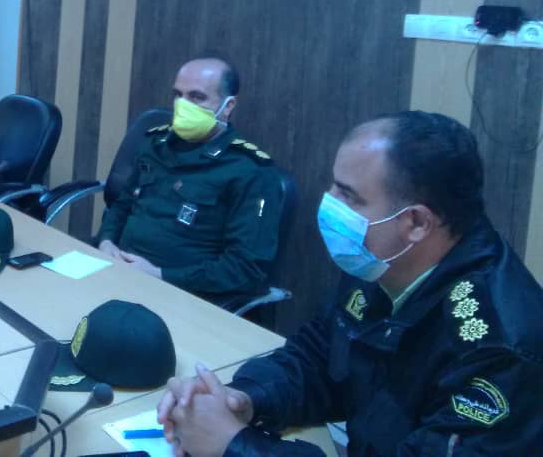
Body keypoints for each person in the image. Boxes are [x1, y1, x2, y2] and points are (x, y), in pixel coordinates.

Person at [157, 111, 543, 456]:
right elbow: (317, 357)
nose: (328, 203)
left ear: (416, 223)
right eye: (334, 186)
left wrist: (235, 445)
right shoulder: (381, 260)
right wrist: (245, 398)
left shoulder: (500, 349)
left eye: (348, 195)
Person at [97, 57, 282, 308]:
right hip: (116, 270)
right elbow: (122, 205)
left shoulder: (252, 172)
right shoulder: (156, 144)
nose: (182, 105)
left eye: (197, 97)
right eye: (178, 95)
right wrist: (106, 241)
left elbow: (244, 268)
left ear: (228, 106)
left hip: (182, 295)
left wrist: (159, 274)